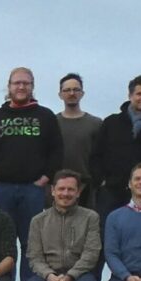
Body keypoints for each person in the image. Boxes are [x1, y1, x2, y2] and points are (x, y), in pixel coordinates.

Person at [0, 69, 62, 263]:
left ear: (32, 87)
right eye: (17, 83)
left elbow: (57, 150)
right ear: (9, 86)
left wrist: (46, 178)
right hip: (1, 189)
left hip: (33, 189)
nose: (21, 87)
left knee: (32, 243)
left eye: (26, 83)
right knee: (3, 243)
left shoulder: (45, 116)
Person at [91, 75, 141, 214]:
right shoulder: (112, 123)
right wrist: (101, 180)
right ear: (130, 95)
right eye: (139, 94)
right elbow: (96, 154)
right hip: (110, 192)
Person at [55, 74, 102, 205]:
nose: (71, 93)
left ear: (82, 93)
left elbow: (102, 155)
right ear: (60, 94)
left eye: (76, 90)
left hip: (87, 186)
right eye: (67, 90)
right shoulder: (52, 123)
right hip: (59, 187)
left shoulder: (95, 123)